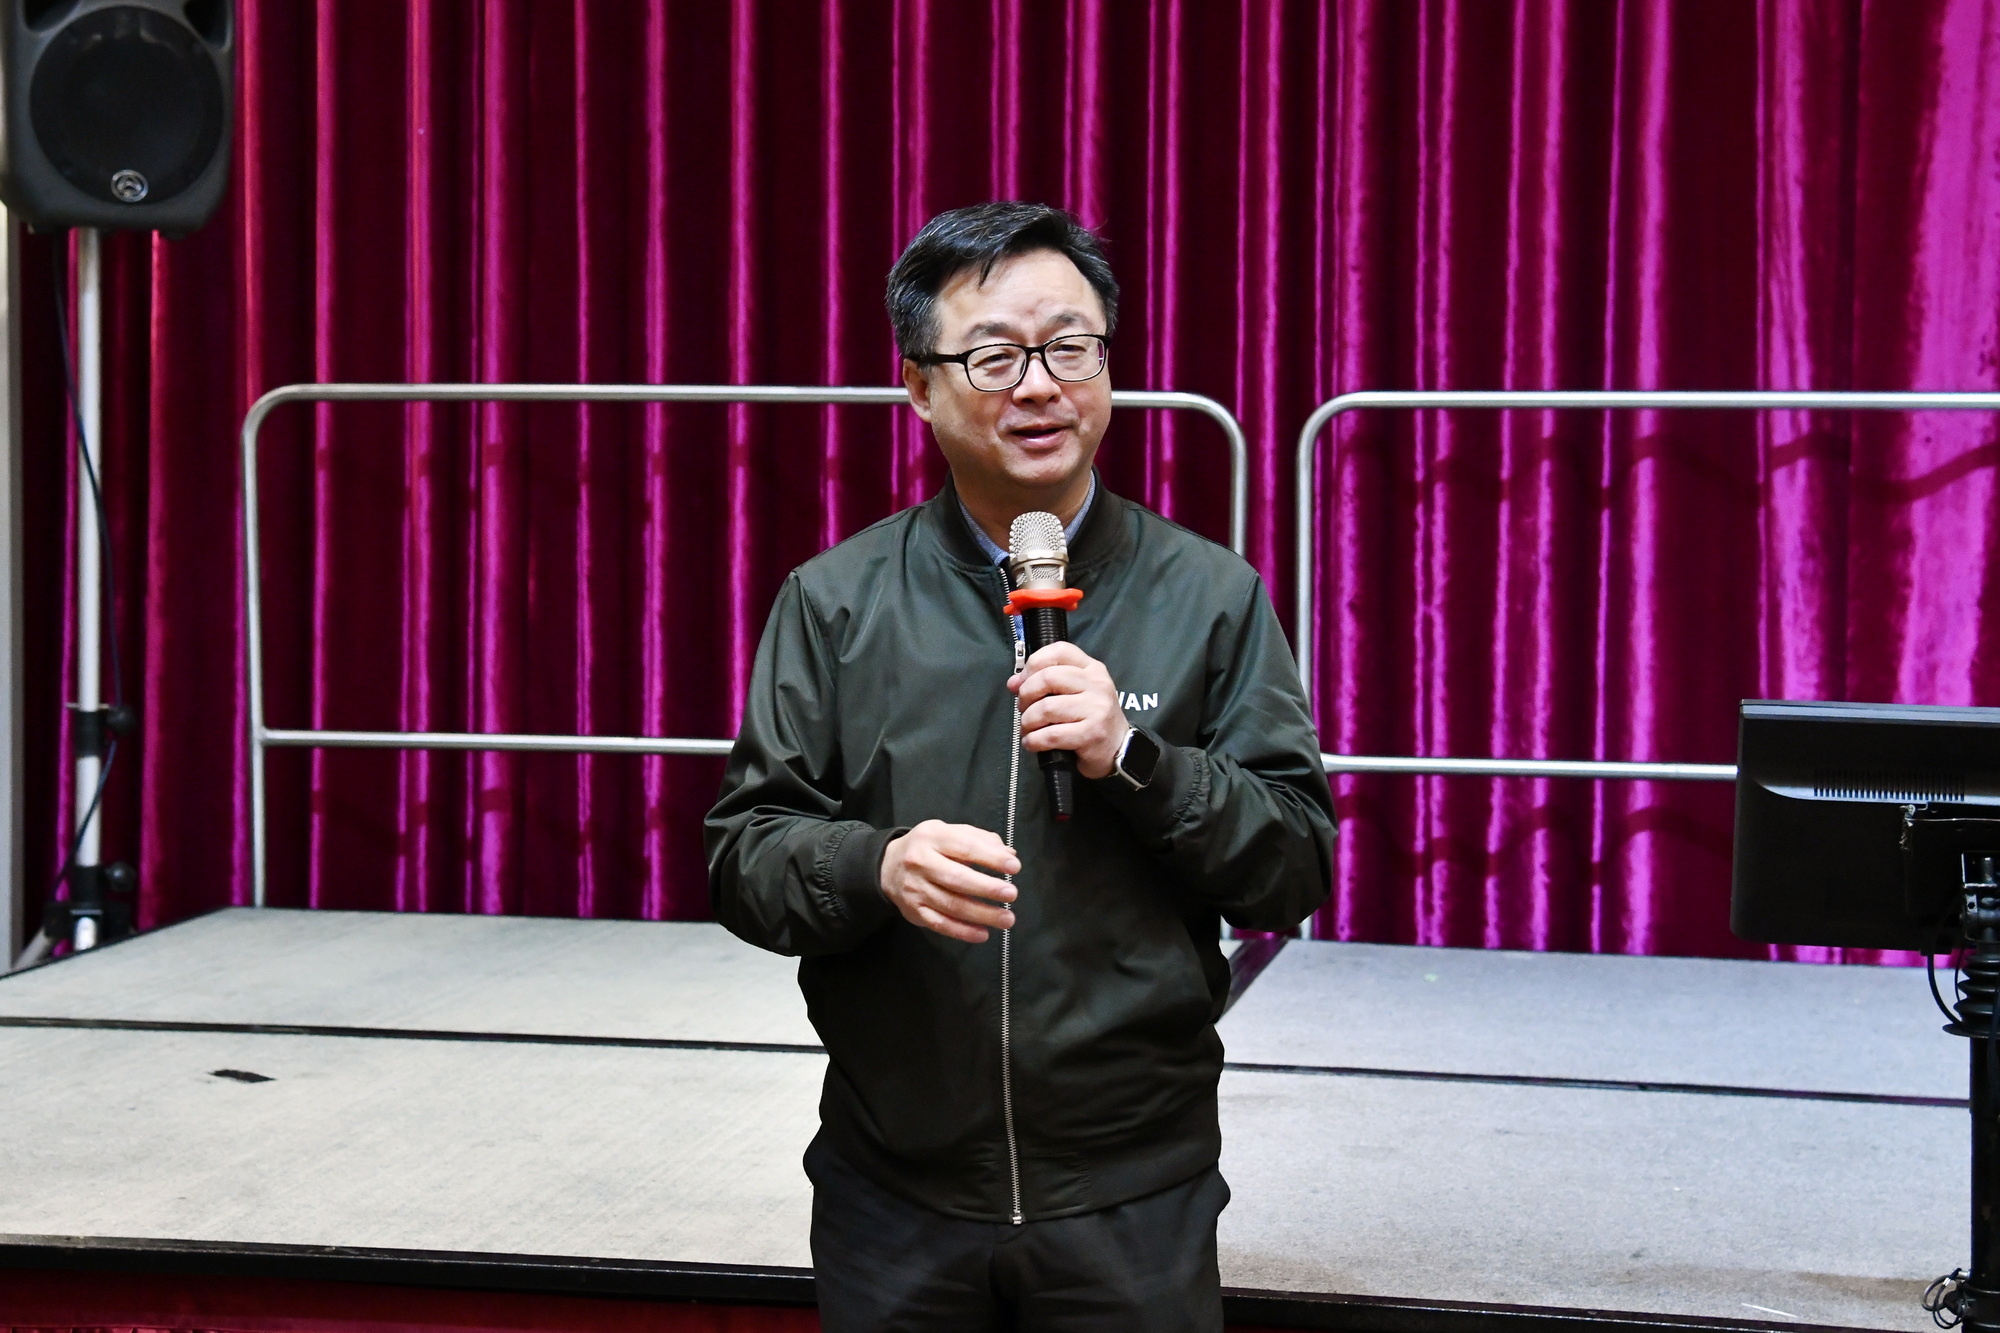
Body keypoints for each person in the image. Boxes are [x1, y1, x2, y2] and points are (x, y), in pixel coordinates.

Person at [705, 201, 1334, 1332]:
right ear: (918, 387)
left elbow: (1292, 863)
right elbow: (745, 856)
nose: (1039, 386)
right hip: (893, 1190)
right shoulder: (836, 602)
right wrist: (876, 866)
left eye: (1070, 348)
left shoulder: (1210, 595)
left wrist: (1134, 759)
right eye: (994, 356)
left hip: (1131, 1191)